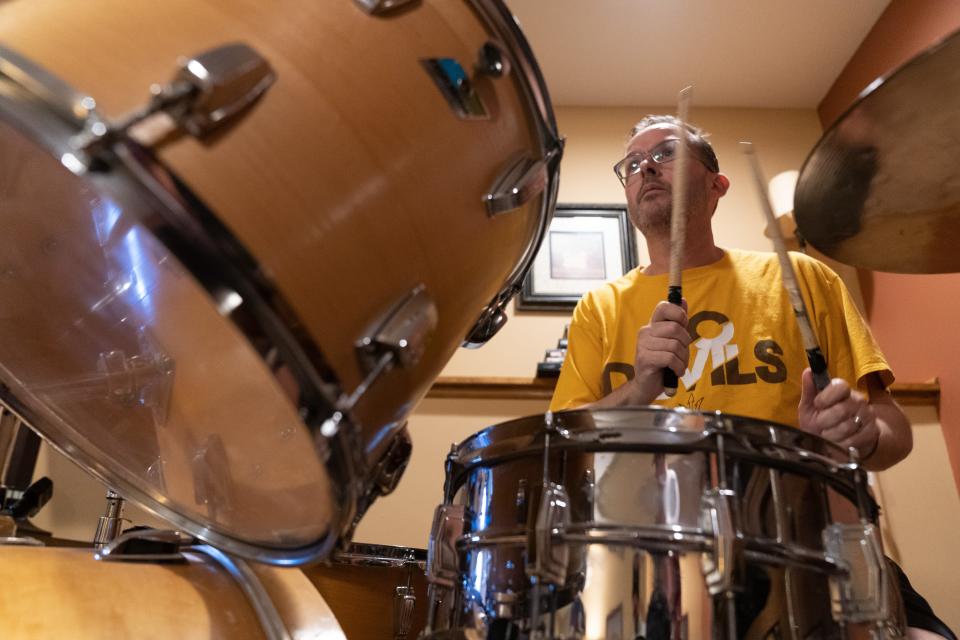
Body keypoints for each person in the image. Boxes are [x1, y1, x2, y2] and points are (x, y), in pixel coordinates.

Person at [549, 115, 954, 639]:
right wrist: (642, 386)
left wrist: (858, 432)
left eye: (667, 153)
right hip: (655, 572)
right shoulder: (598, 309)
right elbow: (562, 453)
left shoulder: (801, 278)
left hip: (812, 551)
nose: (645, 166)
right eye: (631, 164)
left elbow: (892, 435)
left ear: (717, 186)